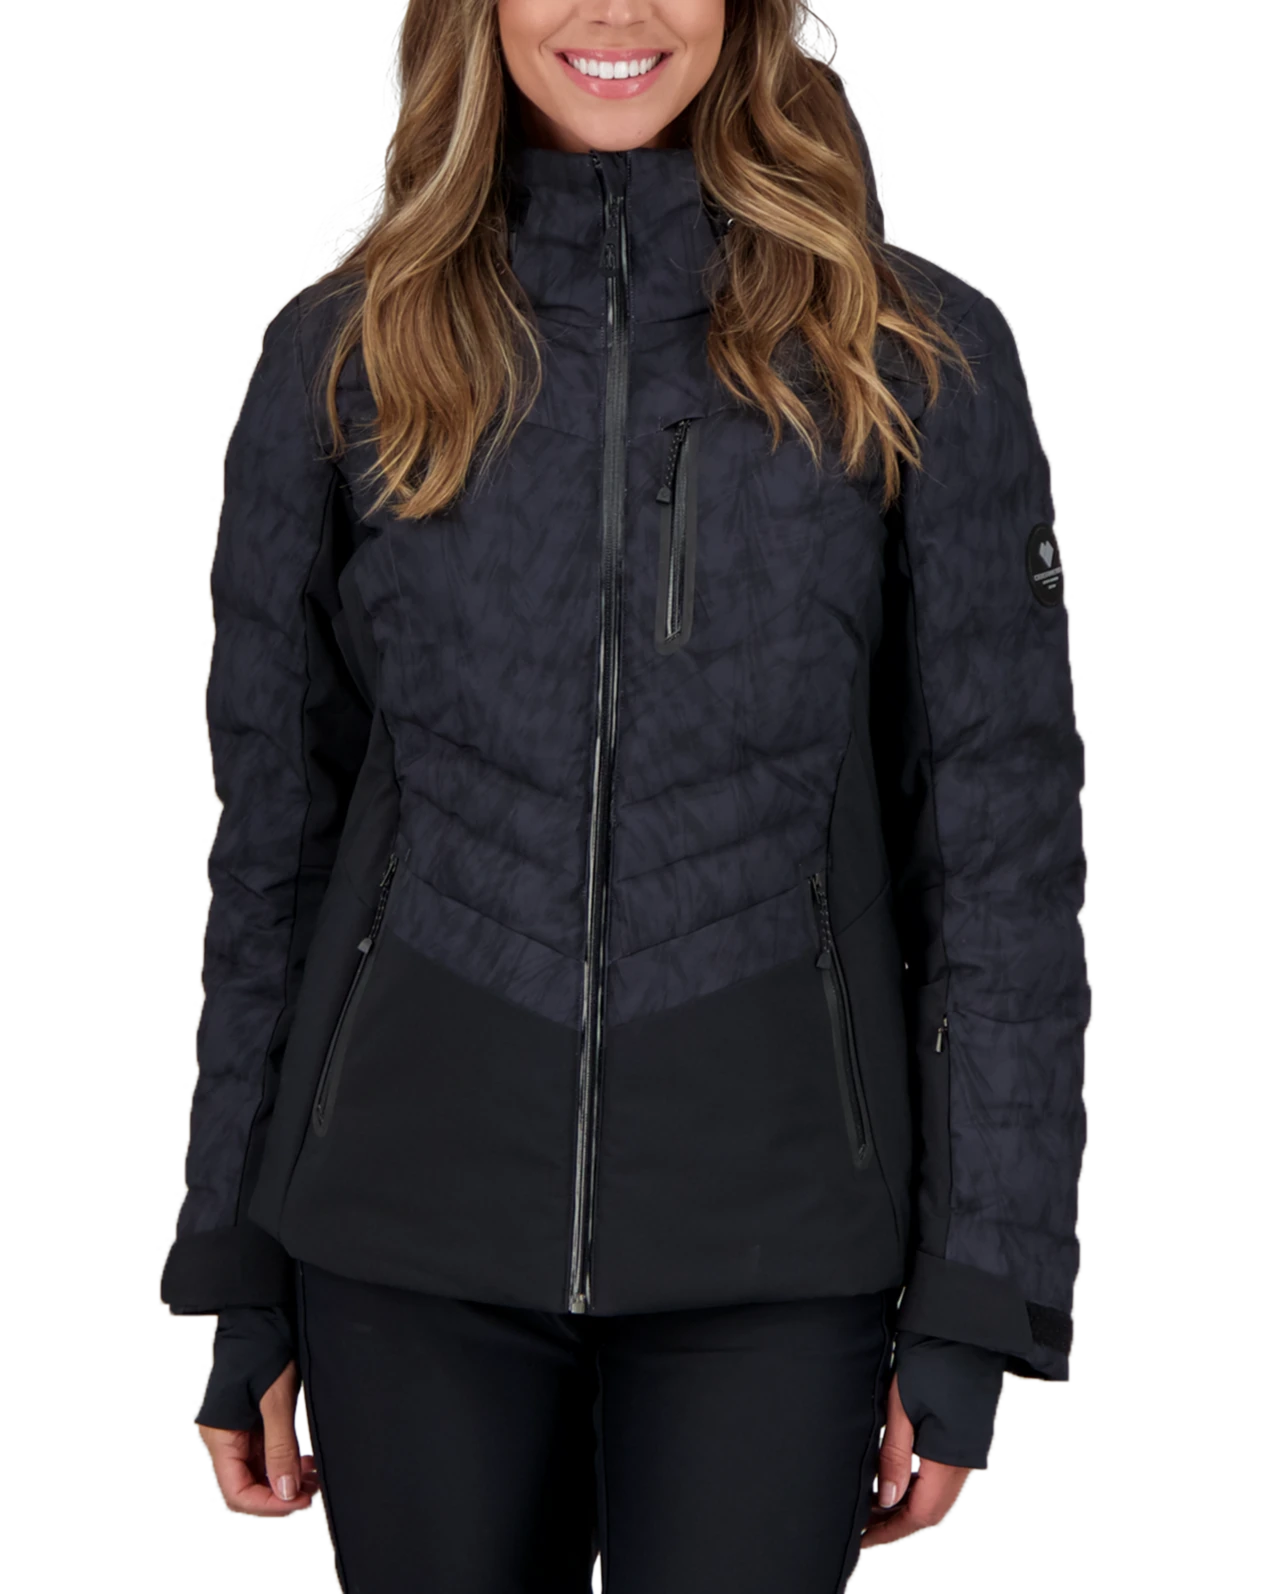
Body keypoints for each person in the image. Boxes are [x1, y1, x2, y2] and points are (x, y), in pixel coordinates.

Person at [161, 2, 1090, 1590]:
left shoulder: (910, 357)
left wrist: (973, 1296)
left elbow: (999, 859)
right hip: (404, 1239)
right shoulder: (347, 357)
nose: (614, 11)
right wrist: (239, 1271)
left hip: (777, 1248)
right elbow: (274, 854)